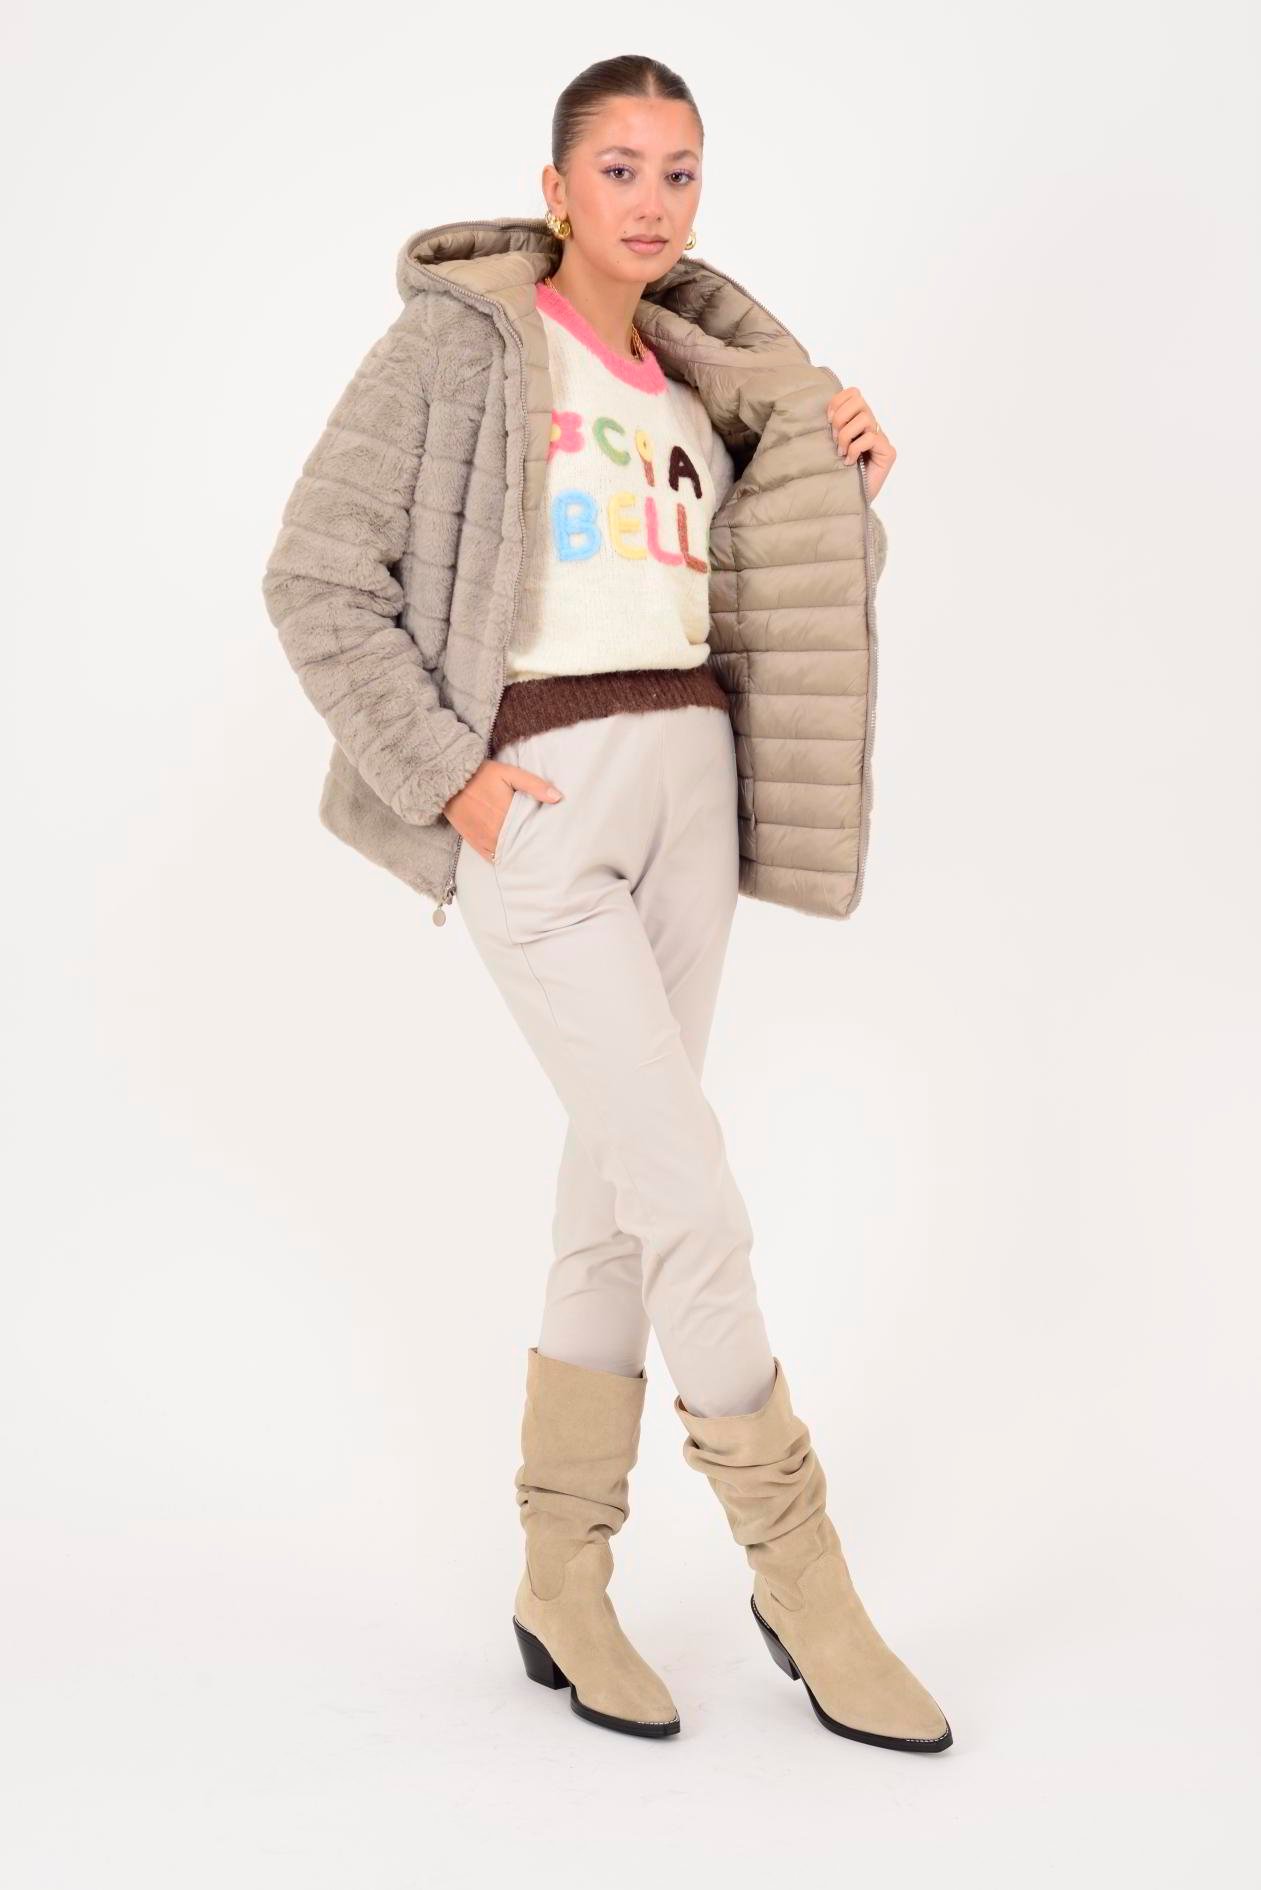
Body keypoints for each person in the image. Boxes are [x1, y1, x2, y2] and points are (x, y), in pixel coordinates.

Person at [261, 52, 952, 1753]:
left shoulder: (706, 379)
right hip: (543, 806)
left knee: (619, 1203)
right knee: (691, 1196)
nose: (651, 200)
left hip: (691, 792)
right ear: (555, 187)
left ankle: (558, 1581)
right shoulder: (462, 346)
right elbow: (316, 574)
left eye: (680, 171)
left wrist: (839, 495)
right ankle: (803, 1578)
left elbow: (756, 603)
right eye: (621, 167)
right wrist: (455, 779)